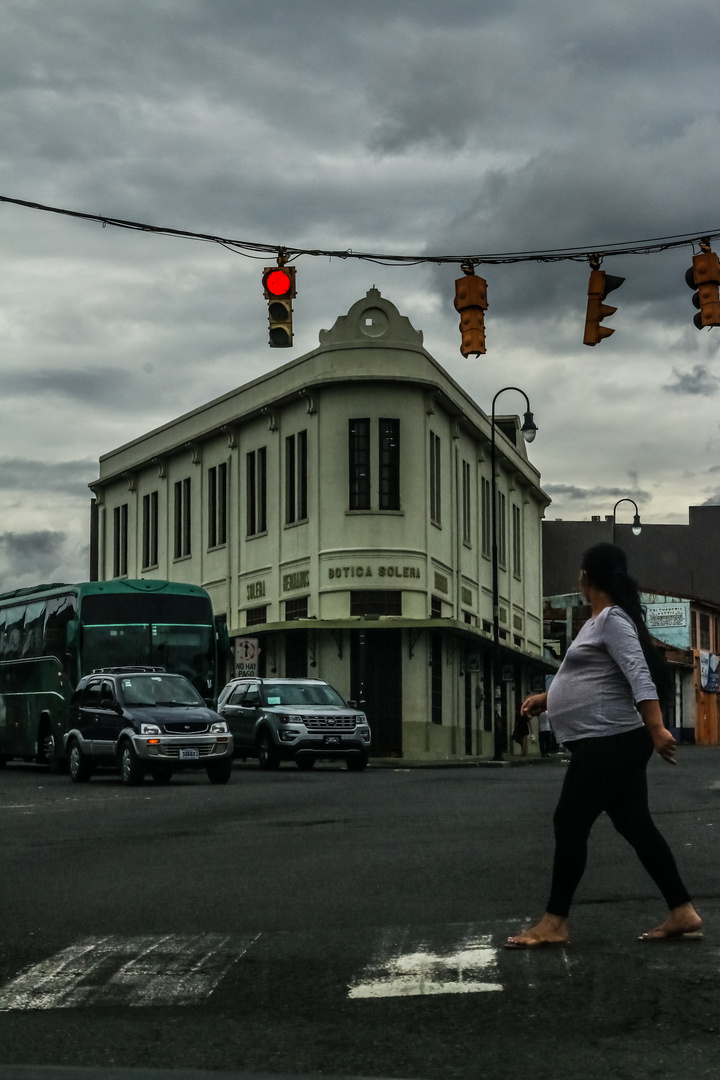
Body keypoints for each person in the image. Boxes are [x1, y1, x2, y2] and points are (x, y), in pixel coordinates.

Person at [506, 542, 702, 948]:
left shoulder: (611, 619)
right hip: (611, 740)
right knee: (635, 825)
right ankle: (682, 911)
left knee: (569, 822)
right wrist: (548, 699)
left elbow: (638, 673)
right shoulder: (597, 621)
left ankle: (555, 922)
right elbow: (595, 676)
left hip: (609, 741)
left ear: (586, 579)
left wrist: (657, 727)